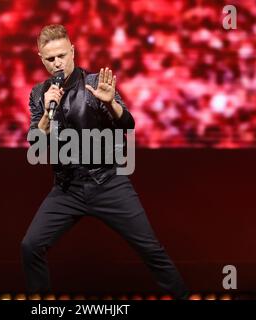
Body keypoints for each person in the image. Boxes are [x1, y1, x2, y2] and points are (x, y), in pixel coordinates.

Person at [22, 24, 188, 299]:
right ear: (41, 58)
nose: (57, 63)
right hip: (67, 188)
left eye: (62, 55)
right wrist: (45, 117)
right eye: (50, 59)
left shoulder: (95, 82)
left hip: (108, 182)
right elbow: (36, 143)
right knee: (30, 245)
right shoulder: (40, 94)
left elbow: (128, 123)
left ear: (73, 52)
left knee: (151, 249)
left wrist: (111, 103)